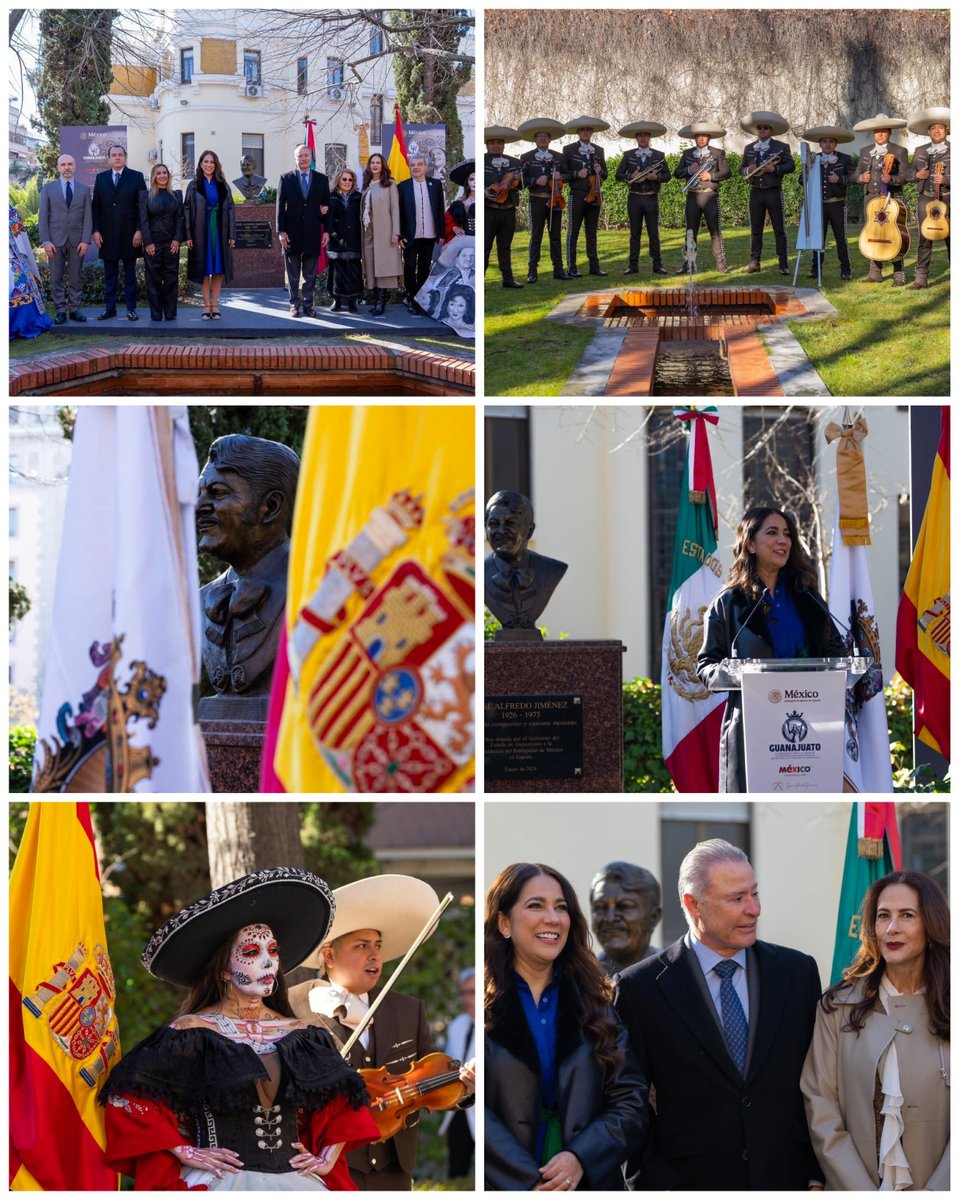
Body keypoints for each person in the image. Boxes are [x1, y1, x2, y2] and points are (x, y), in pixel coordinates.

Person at [98, 867, 379, 1190]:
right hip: (219, 1182)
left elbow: (345, 1103)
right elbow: (127, 1098)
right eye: (250, 952)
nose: (268, 962)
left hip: (298, 1183)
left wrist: (327, 1157)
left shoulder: (300, 1034)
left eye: (272, 951)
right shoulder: (190, 1033)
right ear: (224, 971)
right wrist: (183, 1150)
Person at [614, 839, 822, 1190]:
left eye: (754, 894)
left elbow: (819, 1084)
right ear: (692, 904)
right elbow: (629, 1104)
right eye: (736, 898)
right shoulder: (639, 989)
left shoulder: (798, 973)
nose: (753, 909)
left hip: (787, 1181)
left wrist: (815, 1175)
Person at [288, 874, 475, 1190]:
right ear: (329, 955)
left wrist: (465, 1089)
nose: (375, 956)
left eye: (377, 946)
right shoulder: (293, 1005)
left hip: (392, 1170)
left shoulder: (407, 1009)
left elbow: (429, 1080)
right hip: (322, 1168)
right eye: (361, 946)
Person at [485, 862, 647, 1191]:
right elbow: (478, 1109)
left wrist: (579, 1157)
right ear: (504, 922)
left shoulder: (597, 1002)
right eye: (536, 906)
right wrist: (528, 1180)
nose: (553, 918)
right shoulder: (483, 1008)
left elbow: (630, 1100)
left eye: (561, 908)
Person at [801, 870, 950, 1190]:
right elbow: (821, 1108)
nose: (892, 928)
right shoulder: (836, 1008)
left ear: (931, 924)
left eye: (907, 915)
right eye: (883, 916)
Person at [697, 505, 845, 792]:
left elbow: (836, 650)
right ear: (750, 543)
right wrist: (736, 674)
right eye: (772, 533)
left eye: (787, 534)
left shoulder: (808, 597)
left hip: (811, 725)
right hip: (752, 728)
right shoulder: (729, 603)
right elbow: (706, 666)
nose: (783, 540)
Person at [197, 433, 300, 696]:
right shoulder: (201, 600)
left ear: (270, 507)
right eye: (199, 494)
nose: (198, 506)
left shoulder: (313, 588)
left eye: (217, 493)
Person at [484, 489, 568, 633]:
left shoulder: (551, 569)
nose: (501, 530)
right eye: (494, 523)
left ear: (529, 530)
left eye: (511, 523)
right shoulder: (478, 573)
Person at [853, 112, 910, 285]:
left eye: (883, 131)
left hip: (892, 199)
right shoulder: (865, 151)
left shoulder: (899, 151)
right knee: (873, 232)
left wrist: (892, 179)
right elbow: (857, 172)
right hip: (871, 199)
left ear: (889, 132)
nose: (880, 134)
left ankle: (899, 274)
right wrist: (860, 178)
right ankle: (875, 273)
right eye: (877, 131)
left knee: (894, 233)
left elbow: (906, 176)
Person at [91, 143, 146, 320]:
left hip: (130, 234)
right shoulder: (101, 178)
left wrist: (139, 230)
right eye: (113, 155)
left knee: (130, 275)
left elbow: (142, 207)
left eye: (120, 154)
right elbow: (96, 207)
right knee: (110, 276)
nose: (117, 157)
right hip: (107, 235)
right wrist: (96, 230)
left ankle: (131, 309)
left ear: (125, 157)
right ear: (109, 158)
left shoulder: (136, 177)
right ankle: (110, 309)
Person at [276, 144, 331, 318]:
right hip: (291, 233)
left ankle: (308, 305)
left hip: (313, 232)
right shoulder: (286, 179)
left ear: (311, 157)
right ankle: (294, 305)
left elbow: (327, 206)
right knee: (292, 274)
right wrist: (281, 231)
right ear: (295, 159)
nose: (303, 158)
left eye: (306, 155)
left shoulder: (322, 179)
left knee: (309, 274)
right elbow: (279, 207)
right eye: (300, 156)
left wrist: (326, 231)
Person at [38, 152, 92, 324]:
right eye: (63, 165)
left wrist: (85, 240)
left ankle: (75, 309)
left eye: (70, 164)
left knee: (76, 277)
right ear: (58, 168)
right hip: (55, 241)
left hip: (77, 241)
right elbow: (43, 217)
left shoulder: (84, 189)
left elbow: (88, 217)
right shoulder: (48, 188)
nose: (67, 167)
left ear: (75, 167)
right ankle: (60, 310)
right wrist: (46, 241)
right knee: (56, 277)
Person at [740, 111, 795, 275]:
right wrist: (746, 169)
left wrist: (775, 168)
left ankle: (783, 263)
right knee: (756, 230)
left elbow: (790, 166)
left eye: (766, 128)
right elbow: (740, 169)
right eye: (760, 128)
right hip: (755, 192)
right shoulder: (749, 148)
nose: (762, 130)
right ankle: (755, 262)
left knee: (779, 229)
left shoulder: (781, 147)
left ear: (771, 131)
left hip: (773, 192)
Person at [184, 149, 236, 319]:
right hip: (200, 230)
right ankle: (206, 305)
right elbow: (186, 210)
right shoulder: (193, 185)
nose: (208, 165)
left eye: (212, 162)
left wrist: (232, 233)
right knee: (205, 269)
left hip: (220, 229)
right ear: (200, 164)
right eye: (205, 161)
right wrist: (188, 235)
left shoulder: (222, 184)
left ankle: (215, 303)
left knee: (218, 269)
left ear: (216, 165)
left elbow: (230, 209)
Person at [798, 124, 854, 282]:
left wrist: (840, 179)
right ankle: (815, 270)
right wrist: (807, 170)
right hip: (819, 205)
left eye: (830, 141)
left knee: (840, 239)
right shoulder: (813, 158)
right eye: (824, 141)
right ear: (820, 144)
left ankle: (846, 270)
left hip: (837, 204)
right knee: (818, 238)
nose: (827, 144)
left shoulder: (845, 159)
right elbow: (801, 181)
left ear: (835, 144)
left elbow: (853, 178)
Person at [615, 121, 671, 277]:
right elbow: (618, 175)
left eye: (645, 135)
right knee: (634, 233)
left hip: (651, 198)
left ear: (649, 137)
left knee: (654, 233)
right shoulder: (629, 155)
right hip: (634, 198)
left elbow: (668, 176)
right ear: (636, 138)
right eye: (639, 135)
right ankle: (633, 265)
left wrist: (656, 176)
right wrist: (630, 176)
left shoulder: (659, 155)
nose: (642, 138)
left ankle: (657, 265)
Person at [517, 118, 570, 282]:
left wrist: (560, 176)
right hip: (537, 200)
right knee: (536, 235)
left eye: (546, 136)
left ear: (550, 139)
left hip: (555, 200)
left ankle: (559, 270)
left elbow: (568, 176)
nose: (543, 139)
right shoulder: (526, 157)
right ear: (535, 139)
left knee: (555, 236)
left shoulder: (559, 157)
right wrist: (534, 181)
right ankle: (532, 271)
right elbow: (519, 181)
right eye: (539, 136)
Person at [674, 121, 731, 273]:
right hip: (693, 196)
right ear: (694, 138)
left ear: (709, 137)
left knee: (715, 231)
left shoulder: (718, 153)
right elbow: (677, 173)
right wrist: (688, 169)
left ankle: (720, 264)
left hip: (710, 196)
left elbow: (727, 173)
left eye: (704, 135)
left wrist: (710, 175)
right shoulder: (687, 154)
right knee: (690, 231)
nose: (701, 138)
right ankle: (688, 265)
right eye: (698, 136)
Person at [590, 862, 663, 976]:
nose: (610, 918)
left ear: (653, 917)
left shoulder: (677, 974)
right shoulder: (580, 981)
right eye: (600, 908)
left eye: (624, 906)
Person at [561, 117, 610, 277]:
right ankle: (572, 267)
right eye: (582, 130)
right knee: (573, 231)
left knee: (592, 232)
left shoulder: (599, 150)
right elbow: (562, 175)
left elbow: (606, 174)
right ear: (578, 132)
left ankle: (594, 267)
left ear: (591, 132)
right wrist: (577, 174)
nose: (585, 132)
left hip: (595, 195)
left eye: (588, 130)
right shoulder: (569, 150)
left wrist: (600, 170)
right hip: (577, 194)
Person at [908, 107, 951, 290]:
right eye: (933, 128)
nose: (936, 131)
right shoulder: (919, 150)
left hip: (949, 199)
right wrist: (917, 174)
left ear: (946, 130)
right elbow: (908, 173)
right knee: (924, 238)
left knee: (952, 238)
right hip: (925, 199)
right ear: (928, 132)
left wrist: (948, 179)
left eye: (940, 127)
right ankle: (920, 279)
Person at [439, 967, 476, 1179]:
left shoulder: (493, 1022)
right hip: (459, 1102)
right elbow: (450, 1060)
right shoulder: (457, 1025)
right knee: (457, 1171)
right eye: (463, 992)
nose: (466, 998)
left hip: (484, 1103)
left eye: (471, 992)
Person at [398, 153, 445, 314]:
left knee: (425, 267)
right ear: (410, 167)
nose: (416, 167)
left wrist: (441, 233)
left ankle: (421, 298)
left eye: (420, 164)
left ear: (425, 167)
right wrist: (400, 234)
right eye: (413, 165)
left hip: (430, 234)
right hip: (410, 235)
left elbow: (440, 210)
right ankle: (411, 296)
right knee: (410, 267)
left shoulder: (436, 184)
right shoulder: (403, 187)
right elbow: (399, 214)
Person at [138, 162, 185, 321]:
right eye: (159, 173)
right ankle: (156, 315)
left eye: (164, 173)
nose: (162, 175)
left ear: (168, 175)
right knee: (154, 280)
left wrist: (177, 239)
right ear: (154, 176)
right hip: (153, 244)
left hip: (172, 243)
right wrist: (148, 242)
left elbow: (179, 218)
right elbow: (143, 221)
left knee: (171, 279)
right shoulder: (146, 195)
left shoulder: (177, 195)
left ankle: (171, 314)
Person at [361, 152, 402, 317]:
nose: (375, 165)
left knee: (384, 266)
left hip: (385, 231)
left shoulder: (389, 184)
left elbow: (395, 209)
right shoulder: (366, 185)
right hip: (368, 231)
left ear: (383, 165)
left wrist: (396, 232)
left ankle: (381, 302)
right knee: (371, 264)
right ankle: (374, 298)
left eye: (378, 162)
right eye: (372, 163)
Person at [484, 126, 525, 288]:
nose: (496, 146)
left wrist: (517, 180)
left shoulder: (515, 162)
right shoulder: (481, 161)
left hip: (508, 208)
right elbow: (472, 182)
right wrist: (483, 191)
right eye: (492, 143)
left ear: (504, 145)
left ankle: (508, 279)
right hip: (488, 209)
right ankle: (480, 280)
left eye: (499, 143)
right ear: (487, 145)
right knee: (485, 246)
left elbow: (522, 185)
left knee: (505, 246)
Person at [10, 205, 52, 339]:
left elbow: (17, 229)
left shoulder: (8, 209)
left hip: (11, 254)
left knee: (19, 282)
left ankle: (23, 324)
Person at [324, 167, 363, 313]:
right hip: (336, 239)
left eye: (350, 179)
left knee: (353, 270)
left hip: (354, 238)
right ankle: (337, 300)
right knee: (337, 271)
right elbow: (325, 217)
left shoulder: (359, 197)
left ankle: (352, 301)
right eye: (344, 179)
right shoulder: (329, 197)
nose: (347, 182)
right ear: (338, 180)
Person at [445, 159, 476, 241]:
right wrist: (454, 227)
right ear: (468, 183)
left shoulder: (489, 200)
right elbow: (446, 219)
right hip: (463, 240)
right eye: (472, 179)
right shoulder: (459, 203)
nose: (475, 182)